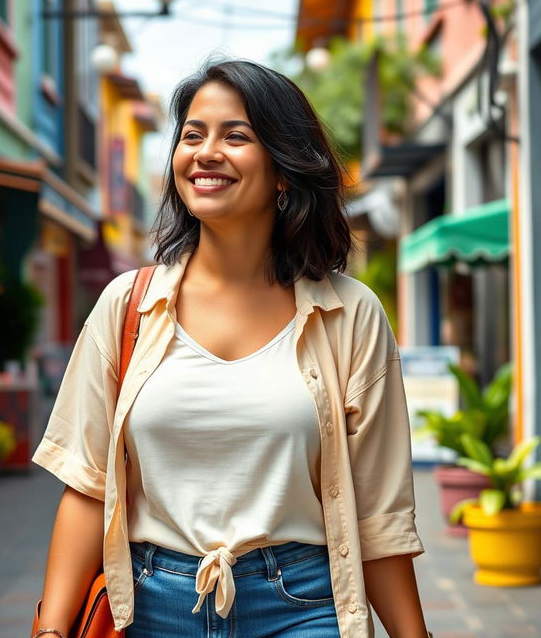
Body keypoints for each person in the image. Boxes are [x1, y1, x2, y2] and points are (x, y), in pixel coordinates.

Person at [31, 59, 432, 638]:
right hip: (150, 607)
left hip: (304, 604)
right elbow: (87, 487)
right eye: (192, 135)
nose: (205, 151)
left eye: (235, 136)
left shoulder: (350, 315)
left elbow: (380, 517)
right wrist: (50, 630)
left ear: (284, 170)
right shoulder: (128, 306)